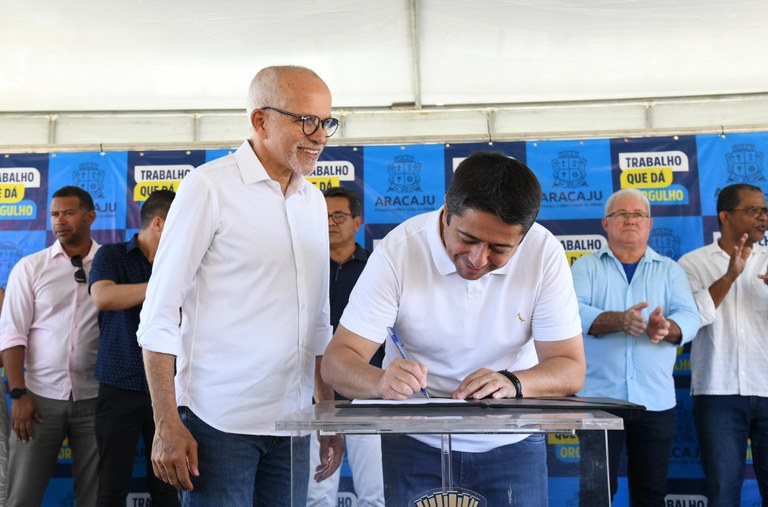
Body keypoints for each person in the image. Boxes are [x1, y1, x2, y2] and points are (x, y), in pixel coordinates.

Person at [321, 151, 586, 506]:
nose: (478, 259)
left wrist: (515, 381)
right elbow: (338, 360)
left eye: (499, 248)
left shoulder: (544, 253)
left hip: (511, 441)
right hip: (414, 439)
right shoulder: (399, 252)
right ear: (447, 211)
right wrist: (379, 381)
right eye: (468, 238)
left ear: (523, 239)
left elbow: (570, 367)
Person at [137, 65, 342, 506]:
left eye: (327, 122)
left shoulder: (313, 199)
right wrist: (166, 422)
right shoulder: (208, 188)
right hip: (218, 423)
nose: (320, 135)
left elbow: (318, 318)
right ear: (260, 120)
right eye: (306, 120)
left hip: (292, 422)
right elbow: (159, 312)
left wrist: (325, 411)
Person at [571, 188, 700, 506]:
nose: (630, 220)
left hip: (654, 400)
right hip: (598, 400)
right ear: (606, 223)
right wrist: (620, 320)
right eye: (621, 214)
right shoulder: (585, 267)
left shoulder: (670, 270)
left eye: (638, 214)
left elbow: (690, 316)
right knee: (596, 493)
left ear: (650, 224)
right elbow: (572, 312)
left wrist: (667, 328)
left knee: (651, 492)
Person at [0, 186, 100, 506]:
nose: (59, 221)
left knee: (95, 498)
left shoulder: (110, 265)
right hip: (38, 400)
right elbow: (13, 334)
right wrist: (18, 394)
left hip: (97, 400)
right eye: (55, 214)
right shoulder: (30, 267)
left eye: (68, 213)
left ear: (90, 216)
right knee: (21, 496)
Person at [678, 183, 768, 507]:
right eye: (753, 210)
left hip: (767, 389)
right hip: (718, 393)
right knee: (722, 494)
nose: (763, 217)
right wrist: (729, 276)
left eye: (765, 210)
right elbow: (690, 320)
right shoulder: (693, 263)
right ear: (725, 216)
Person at [89, 190, 178, 506]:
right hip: (119, 386)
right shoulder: (111, 255)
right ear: (159, 223)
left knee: (169, 486)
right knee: (111, 487)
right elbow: (103, 297)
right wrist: (160, 290)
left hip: (170, 389)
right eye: (180, 223)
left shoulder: (183, 262)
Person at [306, 186, 384, 507]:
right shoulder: (305, 271)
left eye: (338, 215)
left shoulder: (378, 267)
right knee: (317, 495)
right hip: (315, 394)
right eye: (322, 216)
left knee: (375, 495)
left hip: (369, 392)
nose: (330, 223)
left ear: (357, 221)